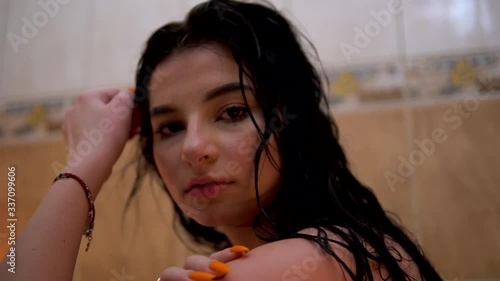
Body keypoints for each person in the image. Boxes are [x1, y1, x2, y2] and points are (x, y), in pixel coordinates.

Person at [0, 0, 443, 280]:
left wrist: (83, 164)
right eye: (169, 127)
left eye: (232, 112)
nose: (194, 148)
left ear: (289, 119)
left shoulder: (337, 257)